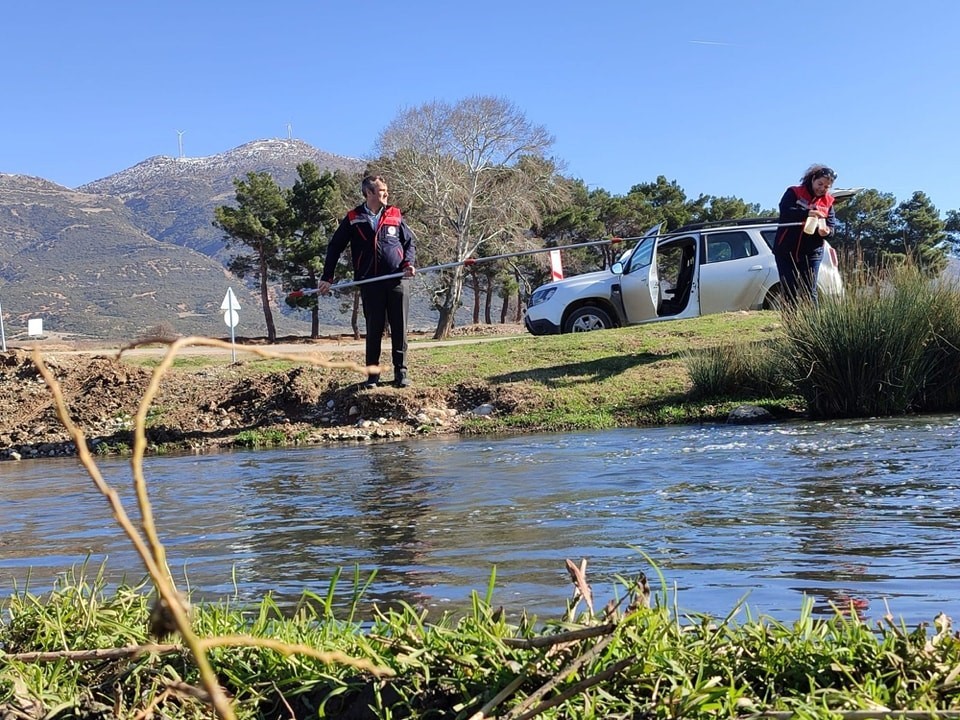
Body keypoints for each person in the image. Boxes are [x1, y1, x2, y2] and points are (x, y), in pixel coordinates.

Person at [318, 175, 417, 388]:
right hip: (370, 282)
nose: (386, 194)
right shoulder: (354, 217)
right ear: (369, 193)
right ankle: (372, 375)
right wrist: (327, 277)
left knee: (399, 328)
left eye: (386, 191)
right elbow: (335, 247)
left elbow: (409, 244)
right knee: (374, 328)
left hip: (397, 280)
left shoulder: (395, 215)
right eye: (382, 191)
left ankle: (401, 373)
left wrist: (408, 264)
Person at [773, 164, 837, 305]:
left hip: (812, 252)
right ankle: (791, 324)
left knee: (810, 290)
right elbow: (785, 211)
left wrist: (826, 232)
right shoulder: (794, 192)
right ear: (813, 179)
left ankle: (813, 325)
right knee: (790, 289)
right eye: (820, 184)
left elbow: (832, 228)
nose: (822, 189)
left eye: (826, 187)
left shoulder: (829, 202)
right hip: (786, 250)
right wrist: (807, 213)